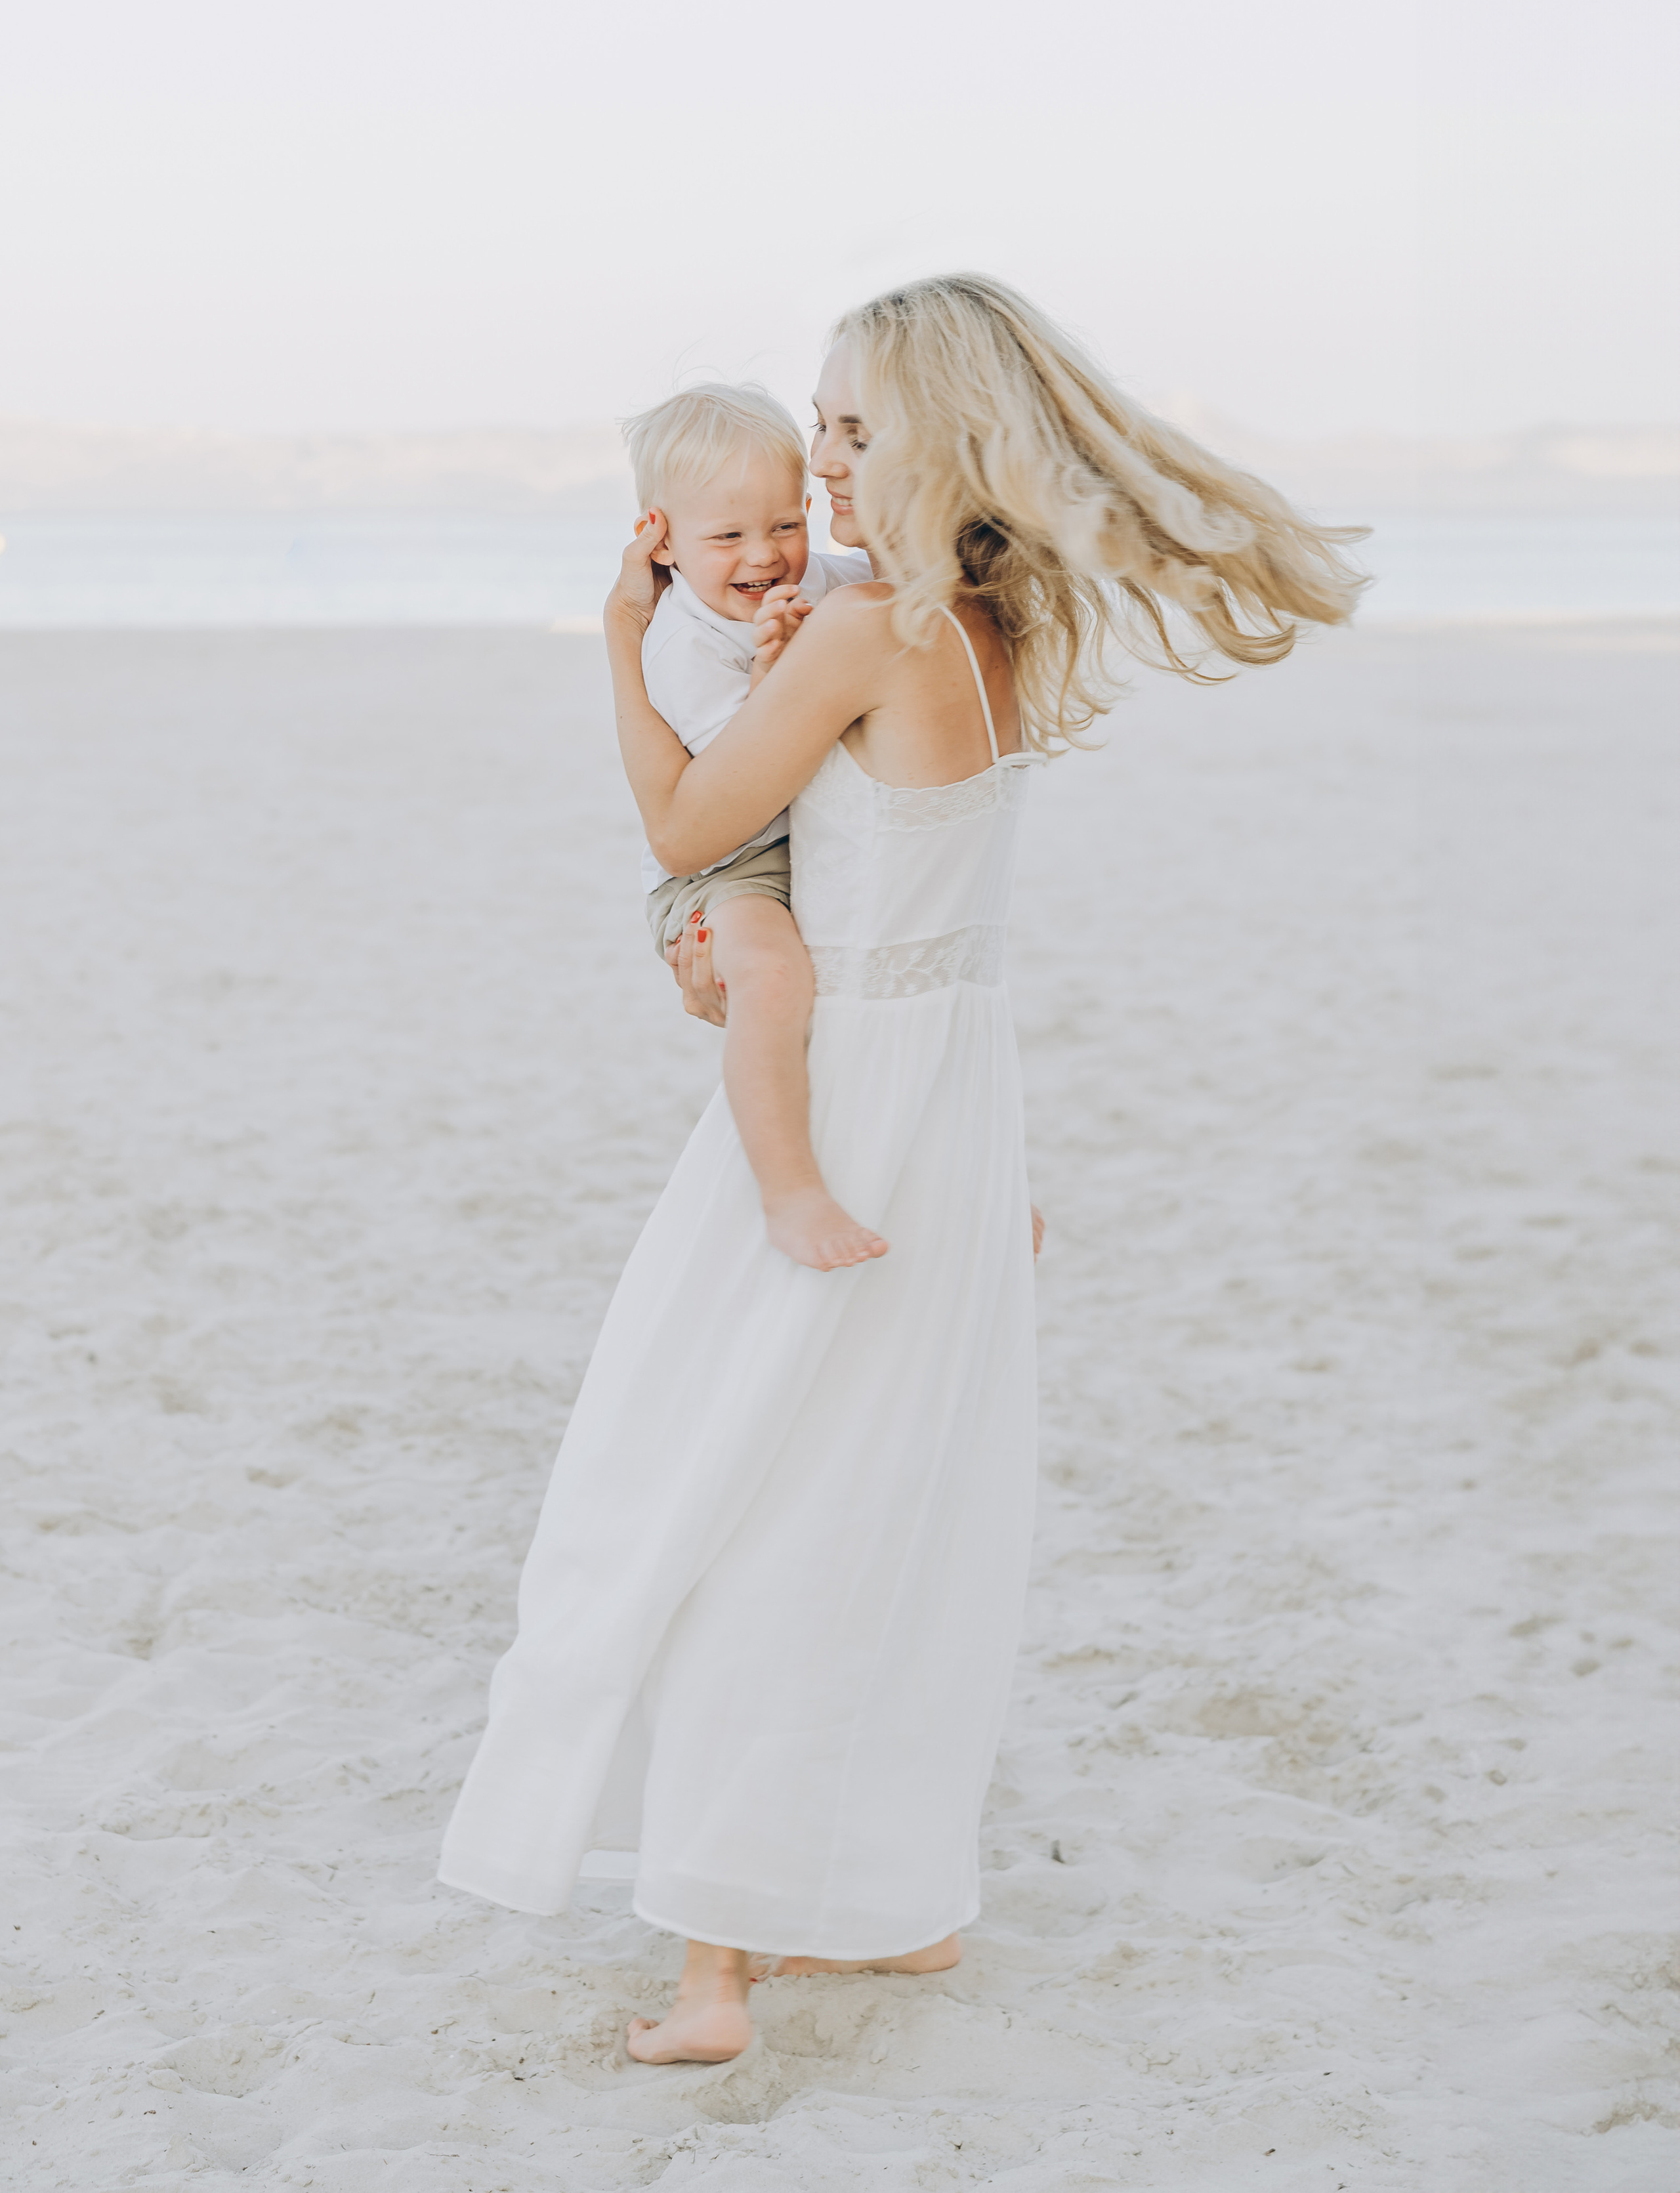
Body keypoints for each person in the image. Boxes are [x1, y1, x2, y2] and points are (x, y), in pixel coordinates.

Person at [436, 273, 1366, 2065]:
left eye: (856, 428)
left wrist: (618, 650)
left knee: (723, 1485)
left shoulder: (864, 633)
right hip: (955, 1089)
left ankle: (717, 1963)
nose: (828, 461)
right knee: (885, 1502)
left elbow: (687, 828)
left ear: (943, 437)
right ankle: (894, 1902)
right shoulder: (1008, 615)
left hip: (845, 1093)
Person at [623, 384, 884, 1273]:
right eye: (727, 539)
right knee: (771, 982)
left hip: (813, 849)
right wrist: (781, 676)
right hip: (729, 873)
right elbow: (744, 790)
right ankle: (790, 1194)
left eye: (783, 525)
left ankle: (971, 1179)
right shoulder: (682, 642)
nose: (765, 558)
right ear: (660, 538)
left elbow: (888, 588)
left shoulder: (815, 578)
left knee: (898, 990)